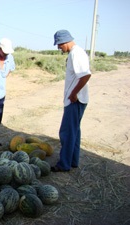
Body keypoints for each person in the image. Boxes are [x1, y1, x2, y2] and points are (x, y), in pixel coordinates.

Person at [51, 30, 91, 172]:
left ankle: (64, 164)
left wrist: (74, 94)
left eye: (59, 45)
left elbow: (85, 75)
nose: (58, 48)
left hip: (75, 100)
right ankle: (73, 161)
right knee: (74, 131)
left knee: (66, 132)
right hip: (78, 99)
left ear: (65, 41)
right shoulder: (77, 52)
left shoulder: (76, 53)